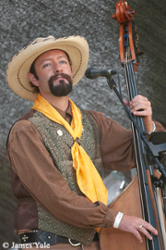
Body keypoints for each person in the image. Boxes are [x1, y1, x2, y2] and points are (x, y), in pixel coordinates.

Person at [6, 35, 165, 250]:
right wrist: (117, 219)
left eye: (62, 62)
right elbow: (56, 197)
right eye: (47, 65)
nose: (58, 68)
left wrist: (147, 123)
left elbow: (136, 153)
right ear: (34, 79)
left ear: (70, 69)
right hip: (50, 243)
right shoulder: (26, 131)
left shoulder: (92, 122)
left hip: (94, 242)